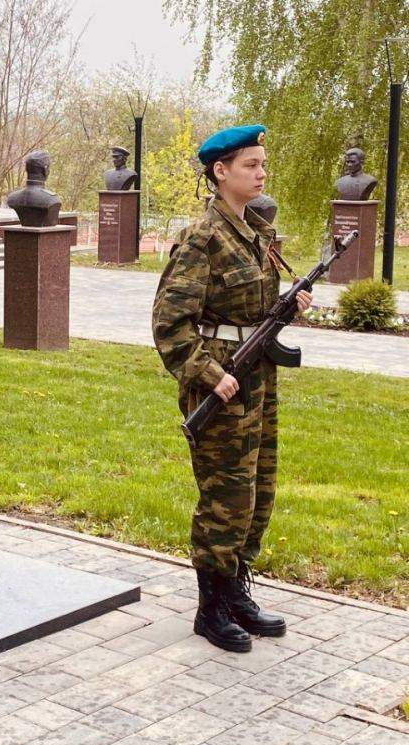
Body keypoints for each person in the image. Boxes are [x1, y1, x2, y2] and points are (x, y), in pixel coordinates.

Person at [151, 124, 312, 653]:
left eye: (263, 163)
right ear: (221, 172)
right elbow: (169, 323)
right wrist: (207, 374)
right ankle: (210, 608)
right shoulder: (203, 237)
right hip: (221, 384)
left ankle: (237, 590)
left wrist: (287, 309)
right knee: (225, 499)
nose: (261, 172)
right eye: (250, 165)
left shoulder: (253, 233)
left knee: (258, 492)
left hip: (256, 377)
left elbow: (248, 312)